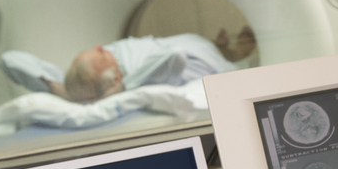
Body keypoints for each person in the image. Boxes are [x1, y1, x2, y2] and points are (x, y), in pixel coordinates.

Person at [56, 26, 256, 103]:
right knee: (223, 59)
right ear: (115, 78)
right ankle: (236, 52)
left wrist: (58, 88)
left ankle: (220, 46)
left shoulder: (111, 54)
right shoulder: (136, 75)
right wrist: (122, 88)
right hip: (197, 58)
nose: (100, 47)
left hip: (188, 41)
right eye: (101, 55)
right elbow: (176, 55)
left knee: (206, 47)